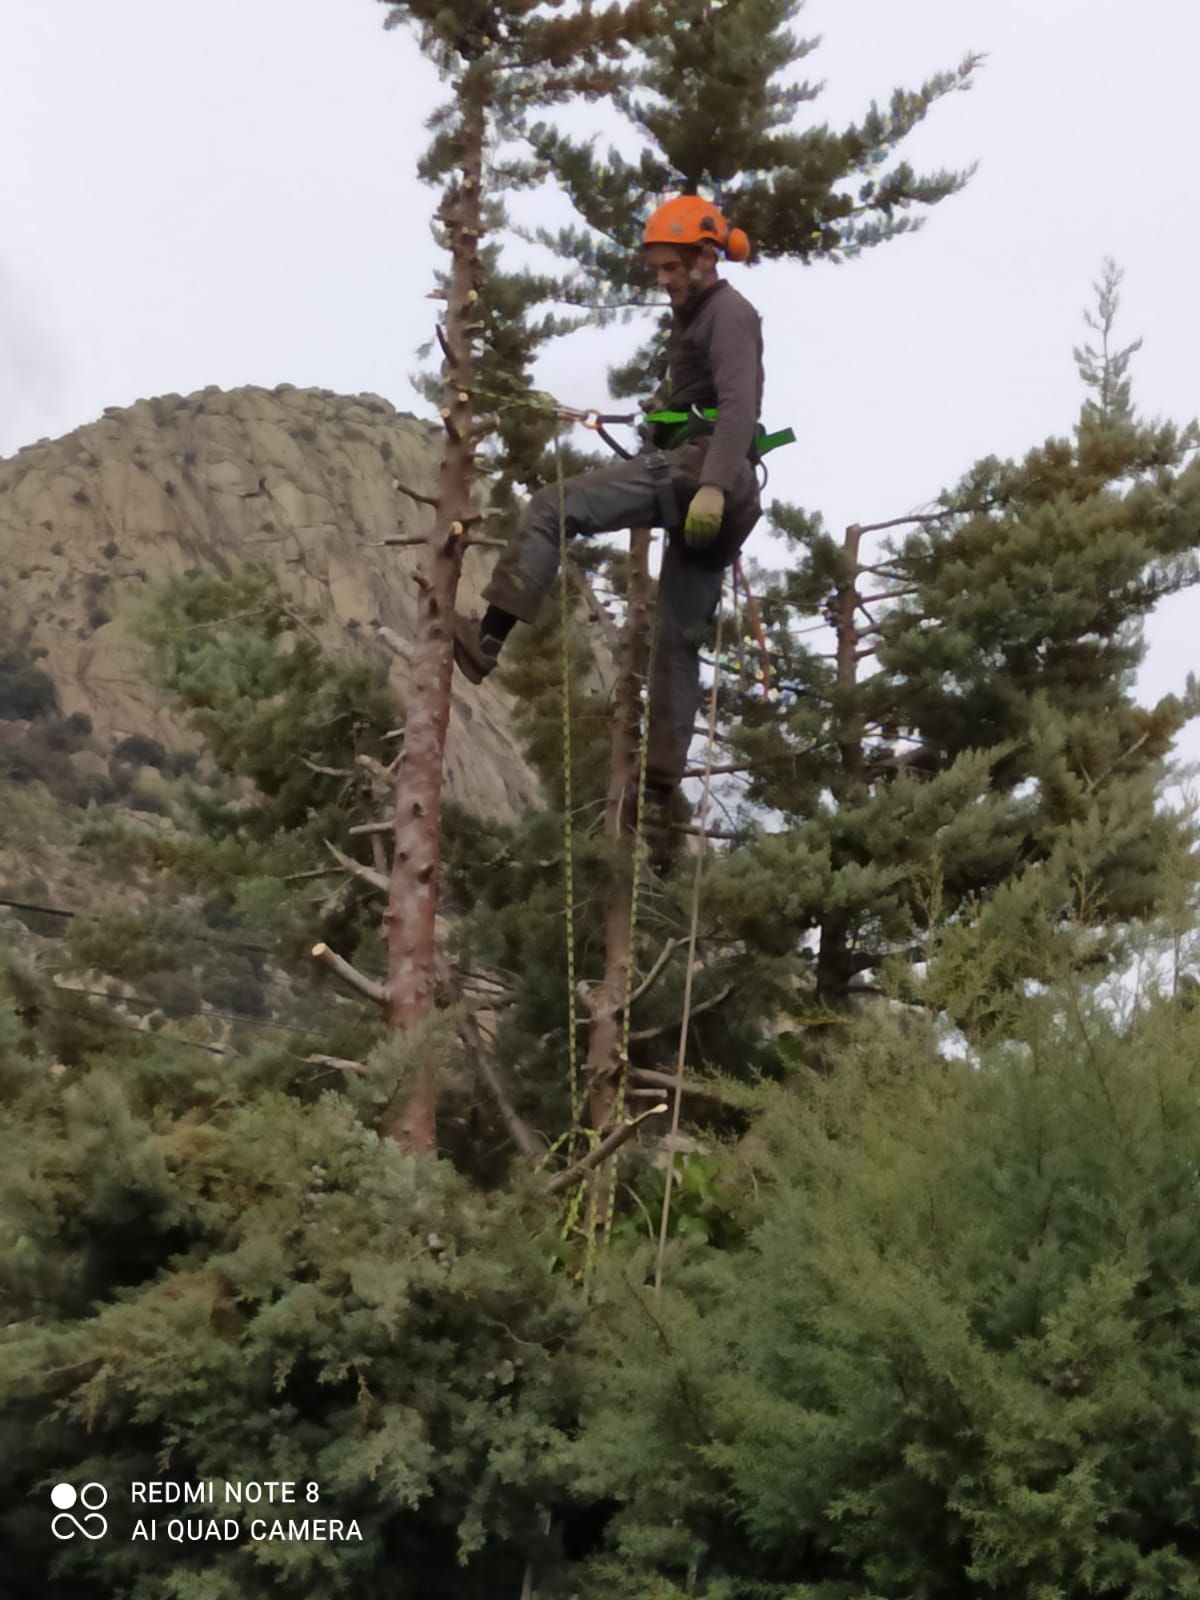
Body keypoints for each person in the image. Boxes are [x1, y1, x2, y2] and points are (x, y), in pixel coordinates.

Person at [453, 195, 765, 812]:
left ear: (707, 255)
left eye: (672, 268)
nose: (663, 280)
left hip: (704, 475)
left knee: (551, 506)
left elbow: (739, 408)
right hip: (717, 489)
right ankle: (661, 787)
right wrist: (663, 418)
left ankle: (487, 638)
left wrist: (710, 482)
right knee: (677, 637)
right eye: (657, 270)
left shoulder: (730, 313)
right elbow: (706, 403)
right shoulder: (698, 317)